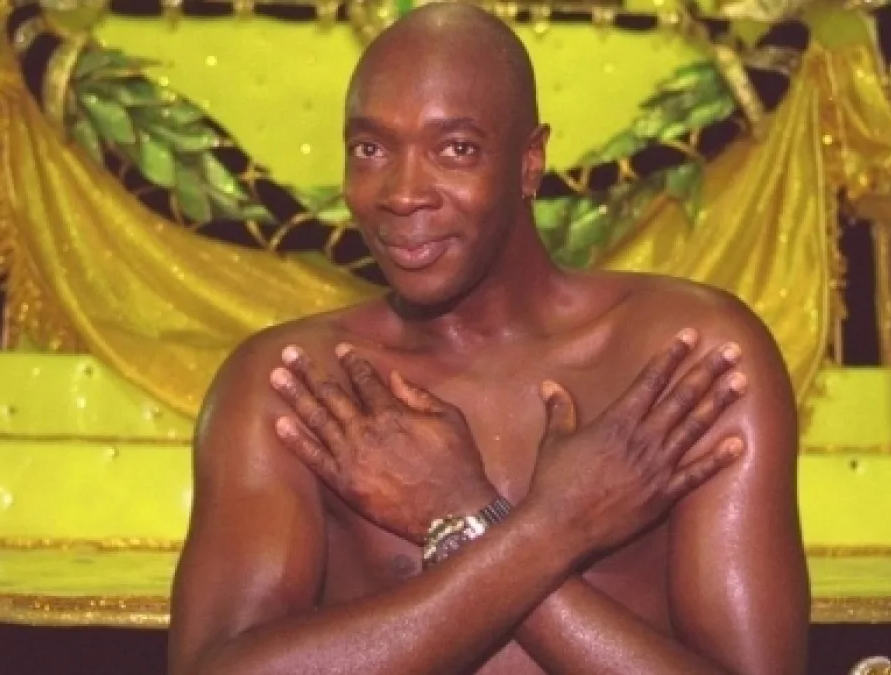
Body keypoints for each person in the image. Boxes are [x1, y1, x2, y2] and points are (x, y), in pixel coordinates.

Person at [168, 4, 809, 674]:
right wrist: (554, 527)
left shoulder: (688, 355)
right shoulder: (298, 383)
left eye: (455, 149)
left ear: (529, 163)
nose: (403, 193)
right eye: (370, 149)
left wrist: (461, 515)